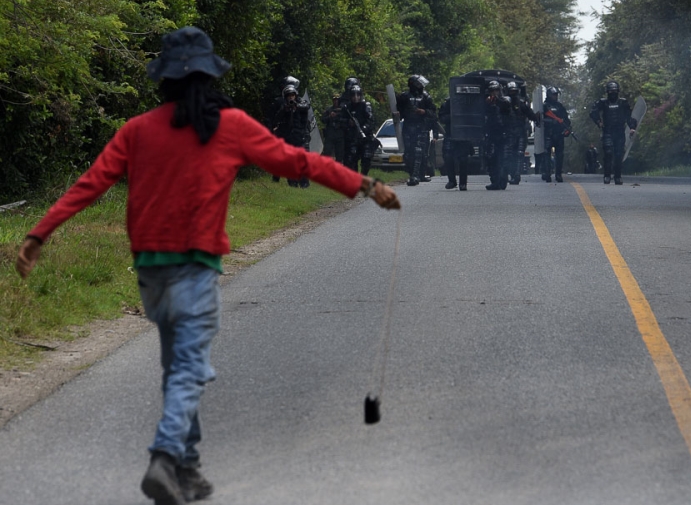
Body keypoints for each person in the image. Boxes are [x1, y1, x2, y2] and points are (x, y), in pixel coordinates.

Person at [13, 27, 400, 505]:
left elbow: (89, 184)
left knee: (179, 366)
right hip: (195, 268)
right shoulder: (231, 125)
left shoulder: (138, 130)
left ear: (165, 80)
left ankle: (188, 469)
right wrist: (364, 185)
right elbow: (299, 162)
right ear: (210, 76)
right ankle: (164, 456)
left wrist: (38, 234)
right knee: (189, 369)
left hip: (150, 270)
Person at [590, 81, 637, 185]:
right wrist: (599, 122)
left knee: (618, 154)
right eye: (611, 91)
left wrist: (632, 127)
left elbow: (629, 116)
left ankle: (618, 177)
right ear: (607, 92)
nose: (613, 93)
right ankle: (607, 175)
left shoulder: (622, 103)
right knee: (608, 153)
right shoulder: (603, 102)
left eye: (614, 91)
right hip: (607, 131)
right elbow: (593, 112)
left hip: (620, 131)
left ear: (618, 91)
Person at [392, 75, 436, 186]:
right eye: (419, 84)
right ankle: (412, 174)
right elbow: (398, 112)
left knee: (419, 151)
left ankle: (417, 175)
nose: (421, 86)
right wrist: (397, 114)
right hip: (408, 127)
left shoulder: (426, 97)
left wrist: (424, 112)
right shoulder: (404, 96)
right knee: (408, 153)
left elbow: (433, 113)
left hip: (421, 127)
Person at [270, 83, 313, 187]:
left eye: (292, 95)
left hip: (301, 137)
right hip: (288, 138)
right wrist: (284, 109)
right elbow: (276, 119)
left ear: (296, 95)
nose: (291, 97)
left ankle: (304, 184)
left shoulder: (301, 103)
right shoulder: (284, 107)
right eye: (289, 95)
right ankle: (292, 183)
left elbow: (306, 106)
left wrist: (296, 106)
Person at [319, 77, 360, 164]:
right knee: (327, 153)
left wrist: (342, 120)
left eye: (337, 100)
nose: (336, 102)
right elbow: (323, 120)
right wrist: (330, 116)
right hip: (330, 134)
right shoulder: (329, 109)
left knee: (340, 155)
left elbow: (350, 118)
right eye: (334, 100)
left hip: (341, 134)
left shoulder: (346, 107)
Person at [505, 81, 538, 185]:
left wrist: (537, 117)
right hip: (509, 132)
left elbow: (530, 114)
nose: (513, 93)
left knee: (519, 154)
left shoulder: (521, 103)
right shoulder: (504, 102)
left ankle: (516, 175)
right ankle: (510, 173)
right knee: (508, 154)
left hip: (520, 132)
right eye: (511, 91)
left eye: (514, 91)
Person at [483, 80, 512, 190]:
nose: (494, 92)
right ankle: (495, 181)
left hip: (503, 134)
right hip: (491, 133)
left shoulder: (505, 100)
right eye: (492, 91)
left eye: (496, 90)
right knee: (490, 158)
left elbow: (506, 106)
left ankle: (502, 181)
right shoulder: (487, 102)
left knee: (503, 158)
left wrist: (496, 101)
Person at [340, 84, 375, 174]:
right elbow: (340, 120)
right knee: (350, 160)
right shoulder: (346, 107)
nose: (356, 97)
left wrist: (363, 129)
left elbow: (371, 121)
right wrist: (348, 122)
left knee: (367, 158)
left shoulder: (365, 106)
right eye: (353, 95)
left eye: (358, 95)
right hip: (352, 138)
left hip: (365, 137)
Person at [438, 97, 470, 190]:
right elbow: (442, 118)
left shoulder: (467, 102)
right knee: (448, 157)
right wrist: (453, 116)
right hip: (450, 133)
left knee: (463, 159)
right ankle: (452, 180)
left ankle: (463, 183)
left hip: (464, 134)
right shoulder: (447, 103)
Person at [542, 86, 572, 183]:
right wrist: (551, 121)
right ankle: (547, 173)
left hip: (559, 134)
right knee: (547, 154)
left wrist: (567, 129)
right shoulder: (544, 106)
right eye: (554, 95)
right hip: (548, 134)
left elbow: (566, 120)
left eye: (556, 95)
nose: (555, 97)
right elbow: (540, 120)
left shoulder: (560, 106)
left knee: (560, 155)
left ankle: (558, 174)